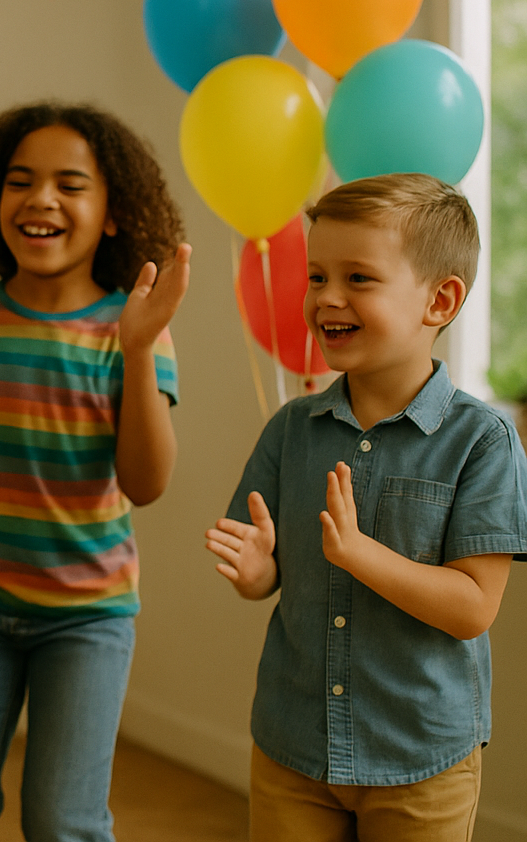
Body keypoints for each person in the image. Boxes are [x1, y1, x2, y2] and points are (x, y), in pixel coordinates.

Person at [0, 102, 190, 842]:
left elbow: (147, 484)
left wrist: (142, 350)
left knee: (63, 823)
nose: (42, 199)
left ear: (112, 214)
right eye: (19, 181)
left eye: (70, 184)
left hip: (88, 619)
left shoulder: (134, 326)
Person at [206, 173, 527, 842]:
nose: (328, 297)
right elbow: (268, 573)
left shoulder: (482, 442)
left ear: (439, 300)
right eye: (317, 276)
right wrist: (256, 571)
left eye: (359, 278)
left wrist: (362, 556)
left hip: (421, 761)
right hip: (293, 747)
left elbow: (473, 608)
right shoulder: (290, 430)